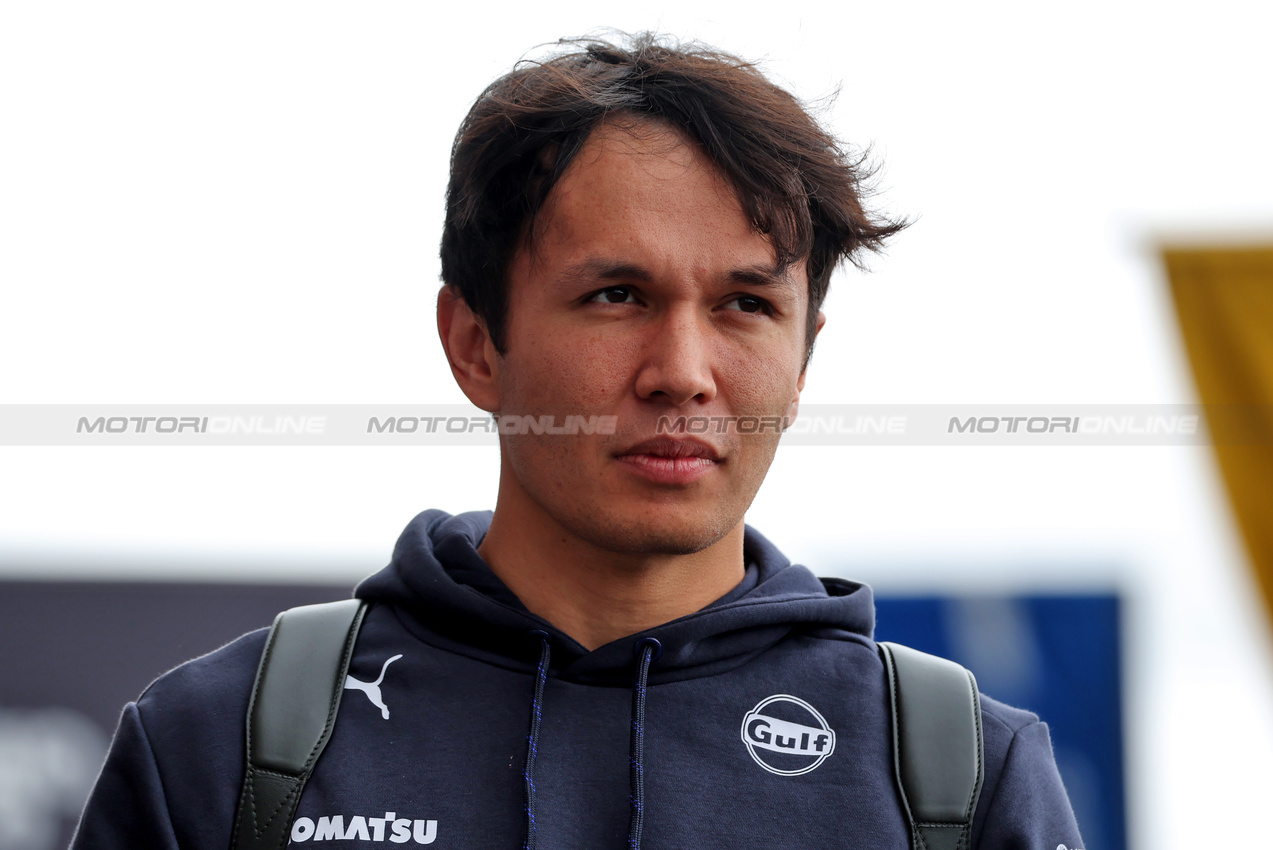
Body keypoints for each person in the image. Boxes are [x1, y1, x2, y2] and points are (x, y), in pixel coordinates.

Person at [72, 33, 1084, 849]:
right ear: (474, 342)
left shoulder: (960, 778)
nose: (681, 368)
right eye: (616, 295)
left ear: (804, 353)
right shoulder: (222, 744)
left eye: (743, 303)